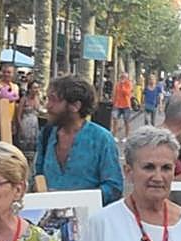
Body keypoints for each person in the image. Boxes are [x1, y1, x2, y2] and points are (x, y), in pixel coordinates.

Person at [34, 75, 123, 205]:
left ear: (75, 106)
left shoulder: (101, 139)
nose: (48, 106)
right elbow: (37, 174)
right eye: (47, 99)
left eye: (54, 100)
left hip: (88, 221)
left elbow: (114, 187)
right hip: (47, 221)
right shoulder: (47, 134)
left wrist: (77, 200)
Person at [14, 84, 41, 158]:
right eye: (34, 88)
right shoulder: (24, 99)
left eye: (38, 88)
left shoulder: (38, 98)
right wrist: (20, 126)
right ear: (29, 89)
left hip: (34, 123)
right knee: (24, 143)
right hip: (25, 123)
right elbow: (18, 115)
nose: (36, 90)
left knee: (33, 143)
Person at [112, 71, 134, 141]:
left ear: (127, 78)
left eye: (124, 77)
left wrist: (123, 86)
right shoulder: (117, 84)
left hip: (126, 105)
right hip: (117, 105)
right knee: (115, 120)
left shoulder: (129, 84)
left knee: (126, 121)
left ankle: (126, 136)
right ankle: (114, 136)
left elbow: (127, 93)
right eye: (121, 77)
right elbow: (115, 93)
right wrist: (113, 102)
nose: (122, 78)